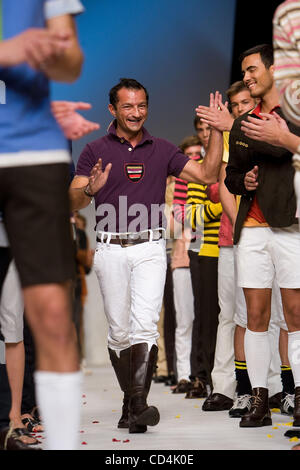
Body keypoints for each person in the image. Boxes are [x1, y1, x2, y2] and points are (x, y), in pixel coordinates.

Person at [69, 78, 223, 433]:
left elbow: (208, 173)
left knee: (144, 326)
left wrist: (216, 130)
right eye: (127, 106)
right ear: (113, 109)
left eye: (141, 106)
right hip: (109, 248)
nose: (136, 113)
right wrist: (90, 189)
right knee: (119, 334)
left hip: (151, 248)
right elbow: (72, 199)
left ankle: (137, 403)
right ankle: (131, 403)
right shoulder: (94, 150)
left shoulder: (164, 148)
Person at [0, 0, 85, 450]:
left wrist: (55, 52)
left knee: (52, 316)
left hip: (33, 152)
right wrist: (5, 50)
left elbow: (71, 63)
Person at [225, 44, 300, 428]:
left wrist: (282, 136)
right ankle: (258, 398)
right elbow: (231, 176)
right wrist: (244, 180)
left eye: (253, 69)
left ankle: (299, 395)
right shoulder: (242, 122)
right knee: (255, 315)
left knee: (295, 315)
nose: (248, 77)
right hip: (252, 228)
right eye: (245, 71)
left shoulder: (294, 112)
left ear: (274, 70)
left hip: (290, 225)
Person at [171, 135, 203, 394]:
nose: (194, 157)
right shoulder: (180, 183)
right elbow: (174, 224)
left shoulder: (208, 179)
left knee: (205, 318)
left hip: (206, 253)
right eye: (188, 153)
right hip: (182, 258)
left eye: (198, 152)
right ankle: (183, 374)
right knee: (185, 320)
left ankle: (201, 374)